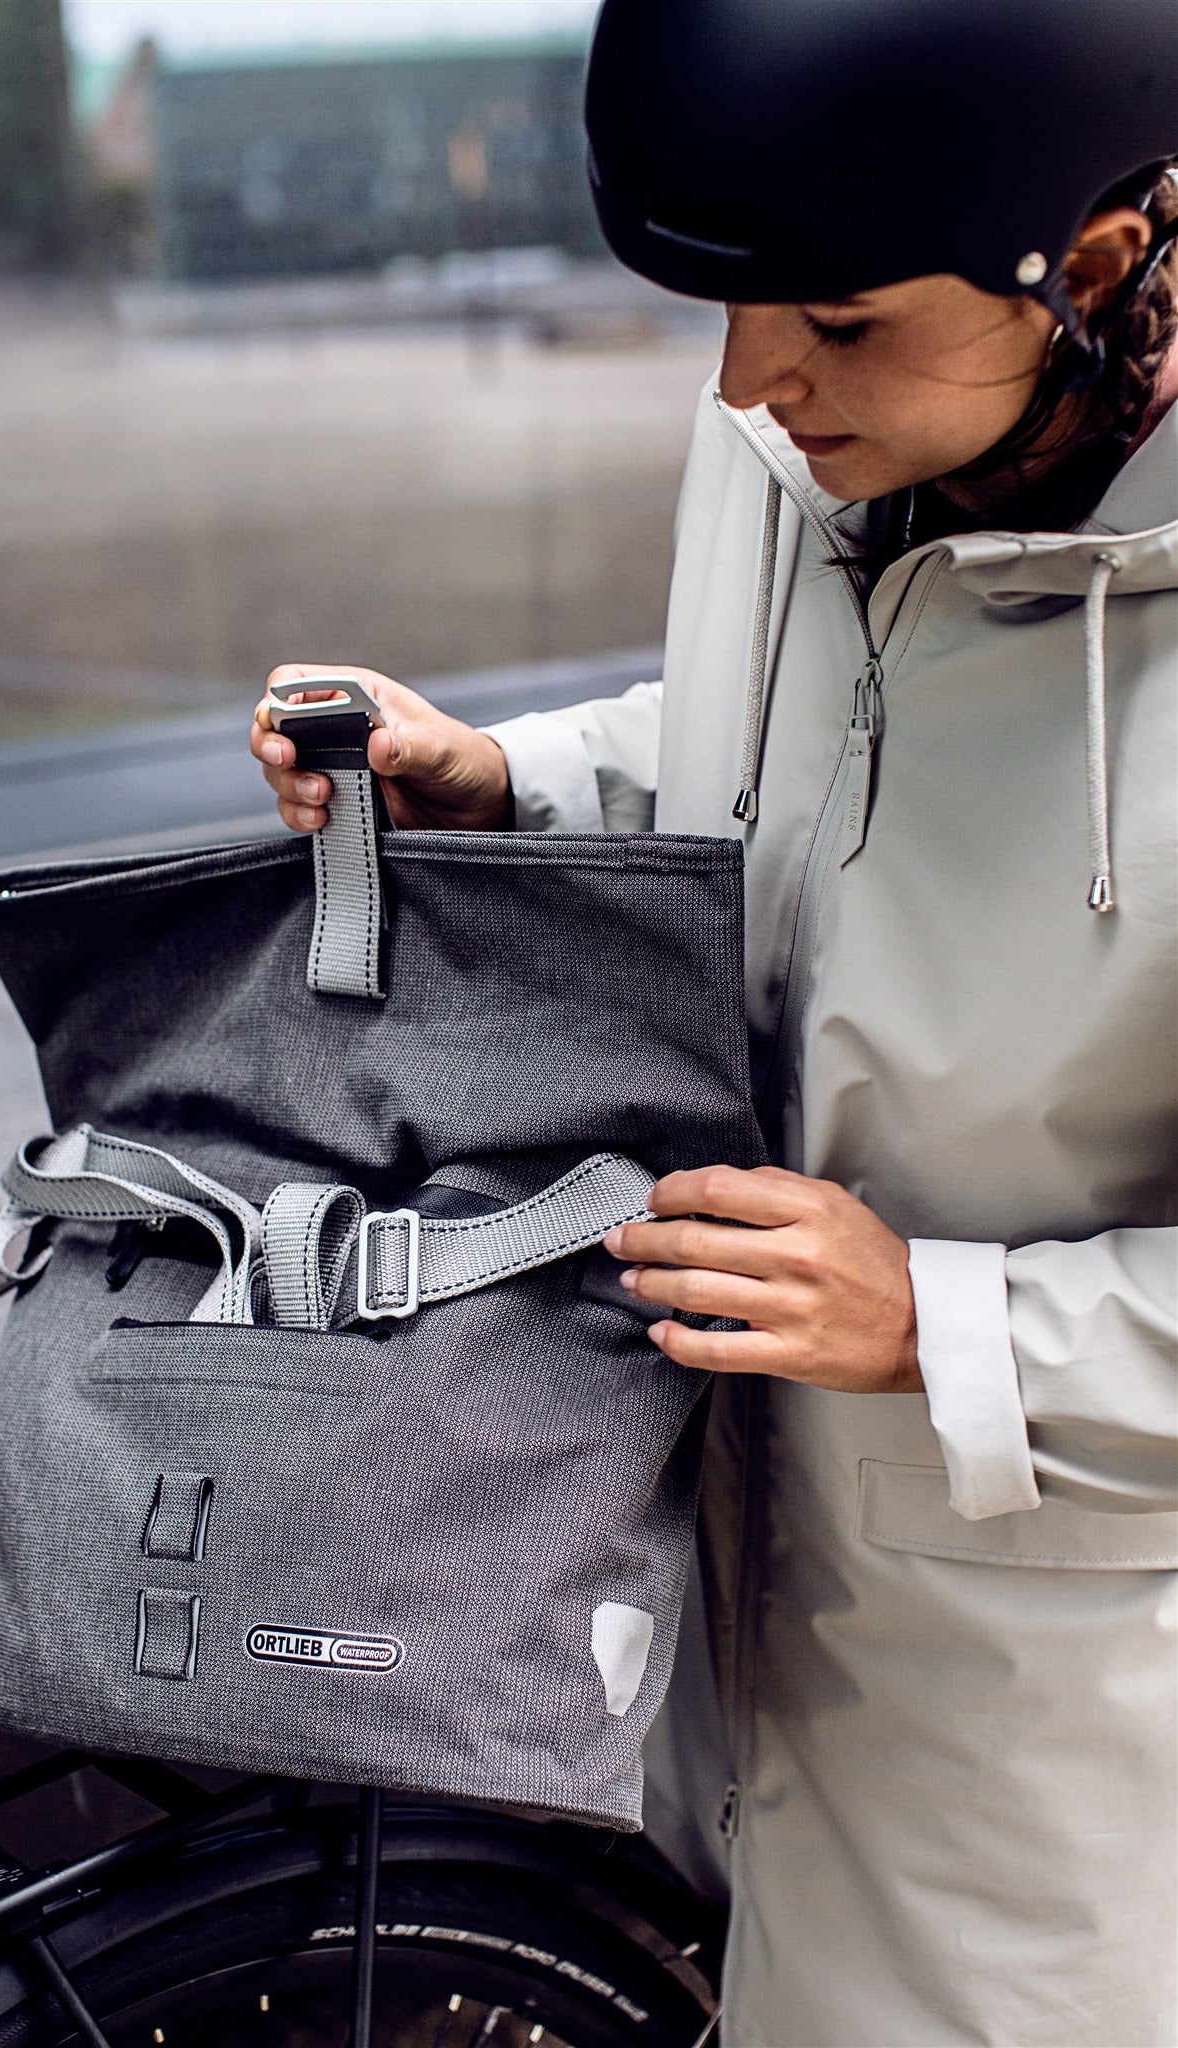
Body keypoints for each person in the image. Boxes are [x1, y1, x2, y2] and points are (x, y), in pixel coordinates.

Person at [251, 3, 1178, 2039]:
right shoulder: (824, 435)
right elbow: (845, 743)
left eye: (833, 322)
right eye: (727, 312)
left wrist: (943, 1322)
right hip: (734, 1615)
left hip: (1064, 1751)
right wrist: (519, 781)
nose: (751, 384)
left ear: (1097, 264)